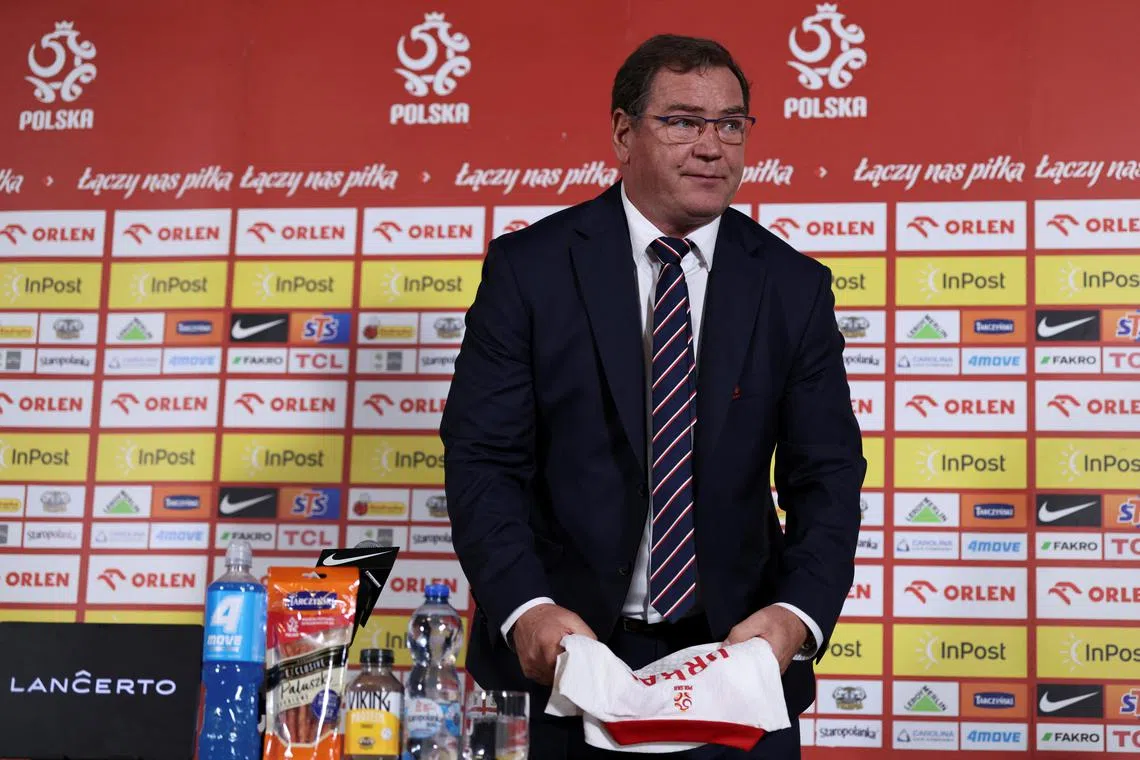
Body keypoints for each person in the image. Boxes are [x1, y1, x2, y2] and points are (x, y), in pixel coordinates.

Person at [440, 33, 866, 759]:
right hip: (563, 666)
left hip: (734, 669)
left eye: (731, 124)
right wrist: (527, 609)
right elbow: (482, 461)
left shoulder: (792, 287)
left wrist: (794, 616)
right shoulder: (531, 270)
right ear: (622, 133)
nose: (711, 146)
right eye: (682, 121)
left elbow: (827, 476)